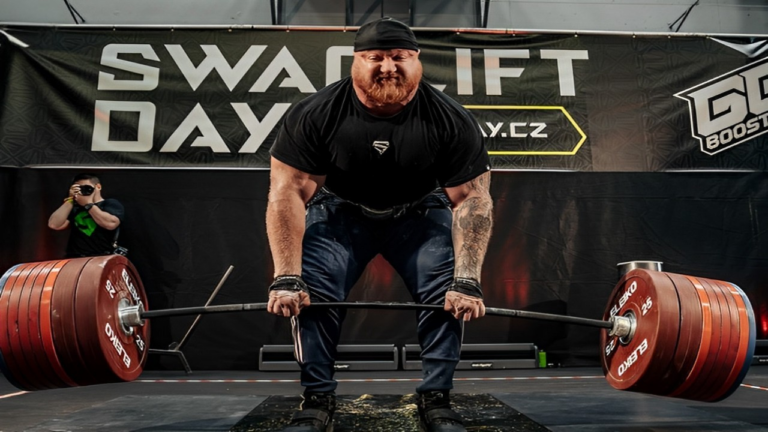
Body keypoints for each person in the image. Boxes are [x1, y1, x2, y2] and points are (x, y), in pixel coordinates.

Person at [266, 17, 493, 432]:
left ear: (417, 60)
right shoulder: (315, 113)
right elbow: (288, 193)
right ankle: (317, 396)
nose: (388, 67)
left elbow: (472, 200)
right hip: (340, 213)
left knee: (447, 290)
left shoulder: (451, 119)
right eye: (376, 57)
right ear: (356, 61)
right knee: (312, 291)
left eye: (399, 56)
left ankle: (437, 396)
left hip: (419, 212)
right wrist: (286, 276)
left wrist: (467, 279)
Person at [48, 173, 124, 258]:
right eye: (79, 188)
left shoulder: (110, 204)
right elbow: (54, 224)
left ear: (98, 187)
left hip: (102, 257)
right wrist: (70, 200)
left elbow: (111, 224)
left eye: (87, 188)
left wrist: (88, 204)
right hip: (75, 257)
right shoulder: (75, 208)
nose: (84, 191)